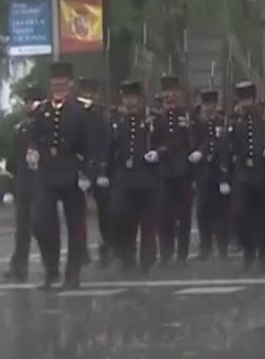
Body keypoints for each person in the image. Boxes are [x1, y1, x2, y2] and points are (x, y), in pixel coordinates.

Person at [29, 61, 95, 290]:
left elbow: (90, 143)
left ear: (70, 84)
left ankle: (73, 273)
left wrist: (87, 172)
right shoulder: (42, 110)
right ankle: (50, 269)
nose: (58, 86)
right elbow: (34, 136)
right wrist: (33, 152)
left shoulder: (81, 110)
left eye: (62, 82)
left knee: (75, 224)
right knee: (41, 220)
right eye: (54, 82)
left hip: (71, 170)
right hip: (47, 170)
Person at [104, 80, 161, 272]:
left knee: (147, 222)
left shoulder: (151, 119)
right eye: (126, 97)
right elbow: (108, 148)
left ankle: (147, 260)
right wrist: (103, 172)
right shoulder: (115, 121)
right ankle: (125, 255)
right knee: (120, 215)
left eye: (133, 97)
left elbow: (165, 141)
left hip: (146, 176)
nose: (130, 102)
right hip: (123, 177)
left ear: (140, 98)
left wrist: (158, 152)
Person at [153, 75, 198, 264]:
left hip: (184, 172)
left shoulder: (188, 117)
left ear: (180, 94)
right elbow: (151, 141)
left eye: (173, 92)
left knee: (184, 215)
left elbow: (193, 143)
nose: (169, 96)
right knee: (163, 214)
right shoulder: (156, 118)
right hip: (163, 173)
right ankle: (165, 251)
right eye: (166, 92)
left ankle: (182, 253)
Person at [229, 81, 265, 270]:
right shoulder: (235, 124)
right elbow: (227, 147)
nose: (246, 104)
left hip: (262, 174)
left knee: (263, 217)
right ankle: (248, 250)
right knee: (241, 216)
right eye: (242, 99)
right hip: (243, 175)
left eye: (248, 99)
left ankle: (264, 254)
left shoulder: (264, 123)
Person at [2, 86, 44, 283]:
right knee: (22, 228)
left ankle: (49, 263)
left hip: (44, 182)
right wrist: (10, 188)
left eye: (34, 101)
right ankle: (19, 267)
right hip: (25, 183)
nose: (30, 105)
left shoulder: (48, 127)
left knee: (40, 224)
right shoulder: (21, 129)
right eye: (28, 102)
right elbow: (14, 162)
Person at [75, 77, 111, 267]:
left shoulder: (100, 115)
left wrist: (102, 170)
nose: (88, 96)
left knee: (104, 211)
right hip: (80, 167)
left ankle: (107, 247)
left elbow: (105, 142)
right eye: (85, 92)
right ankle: (81, 250)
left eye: (91, 93)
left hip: (98, 167)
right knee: (77, 212)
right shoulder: (75, 113)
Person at [193, 89, 232, 260]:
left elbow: (223, 148)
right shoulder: (197, 124)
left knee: (221, 213)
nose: (208, 108)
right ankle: (205, 246)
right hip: (202, 173)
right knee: (202, 212)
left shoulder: (222, 124)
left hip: (218, 172)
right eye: (205, 104)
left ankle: (222, 246)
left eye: (211, 104)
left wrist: (225, 176)